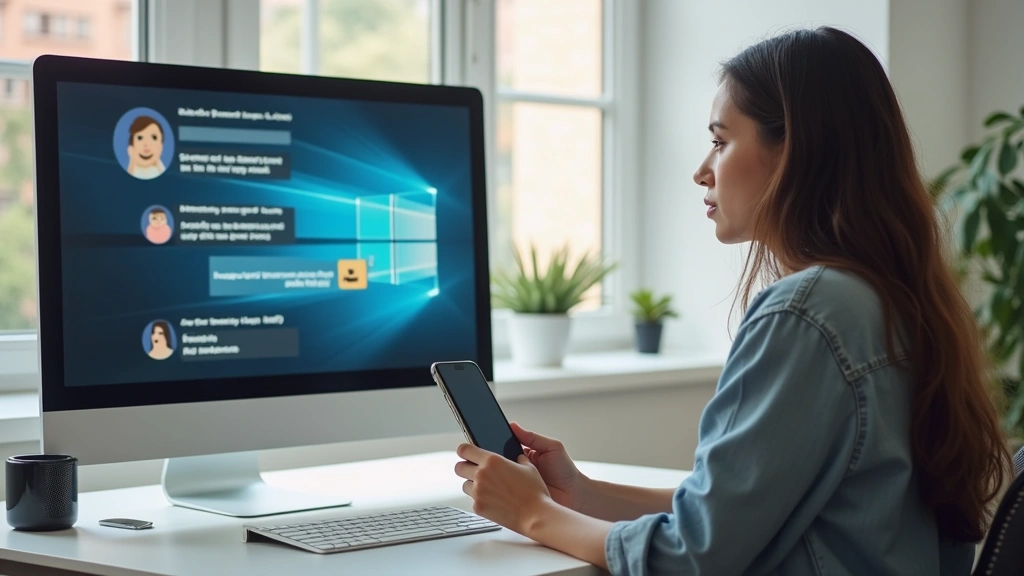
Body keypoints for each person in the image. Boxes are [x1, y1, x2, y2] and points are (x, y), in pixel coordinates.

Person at [453, 27, 1011, 576]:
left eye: (720, 141)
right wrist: (579, 491)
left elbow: (693, 557)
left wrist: (533, 513)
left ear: (794, 149)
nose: (702, 171)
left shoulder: (806, 313)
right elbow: (736, 515)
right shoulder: (894, 301)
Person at [126, 115, 166, 179]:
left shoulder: (157, 168)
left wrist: (157, 159)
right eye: (140, 138)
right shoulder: (134, 169)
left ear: (161, 147)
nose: (147, 145)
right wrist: (132, 159)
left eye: (154, 138)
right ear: (132, 147)